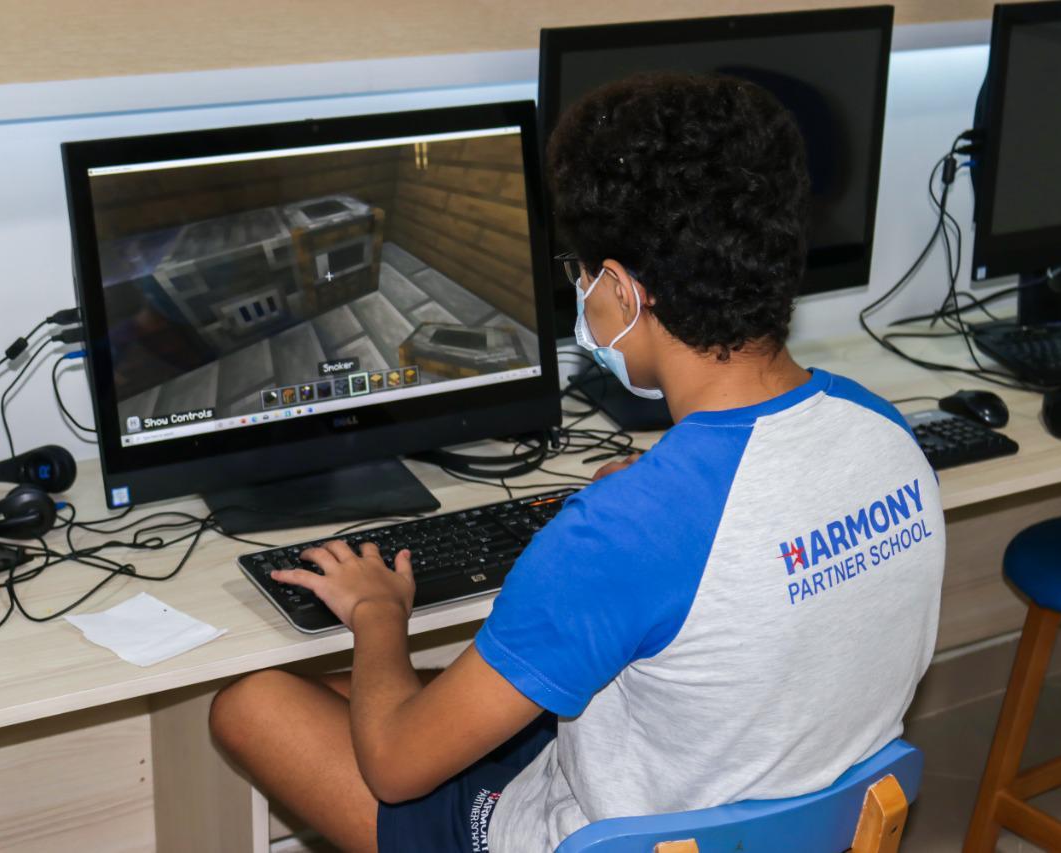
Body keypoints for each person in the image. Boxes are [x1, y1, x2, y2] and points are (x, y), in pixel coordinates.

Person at [209, 71, 945, 853]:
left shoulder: (626, 533)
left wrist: (377, 613)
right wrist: (644, 509)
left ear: (623, 293)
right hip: (788, 815)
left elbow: (393, 765)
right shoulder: (884, 430)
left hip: (585, 836)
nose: (581, 296)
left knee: (254, 702)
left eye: (581, 273)